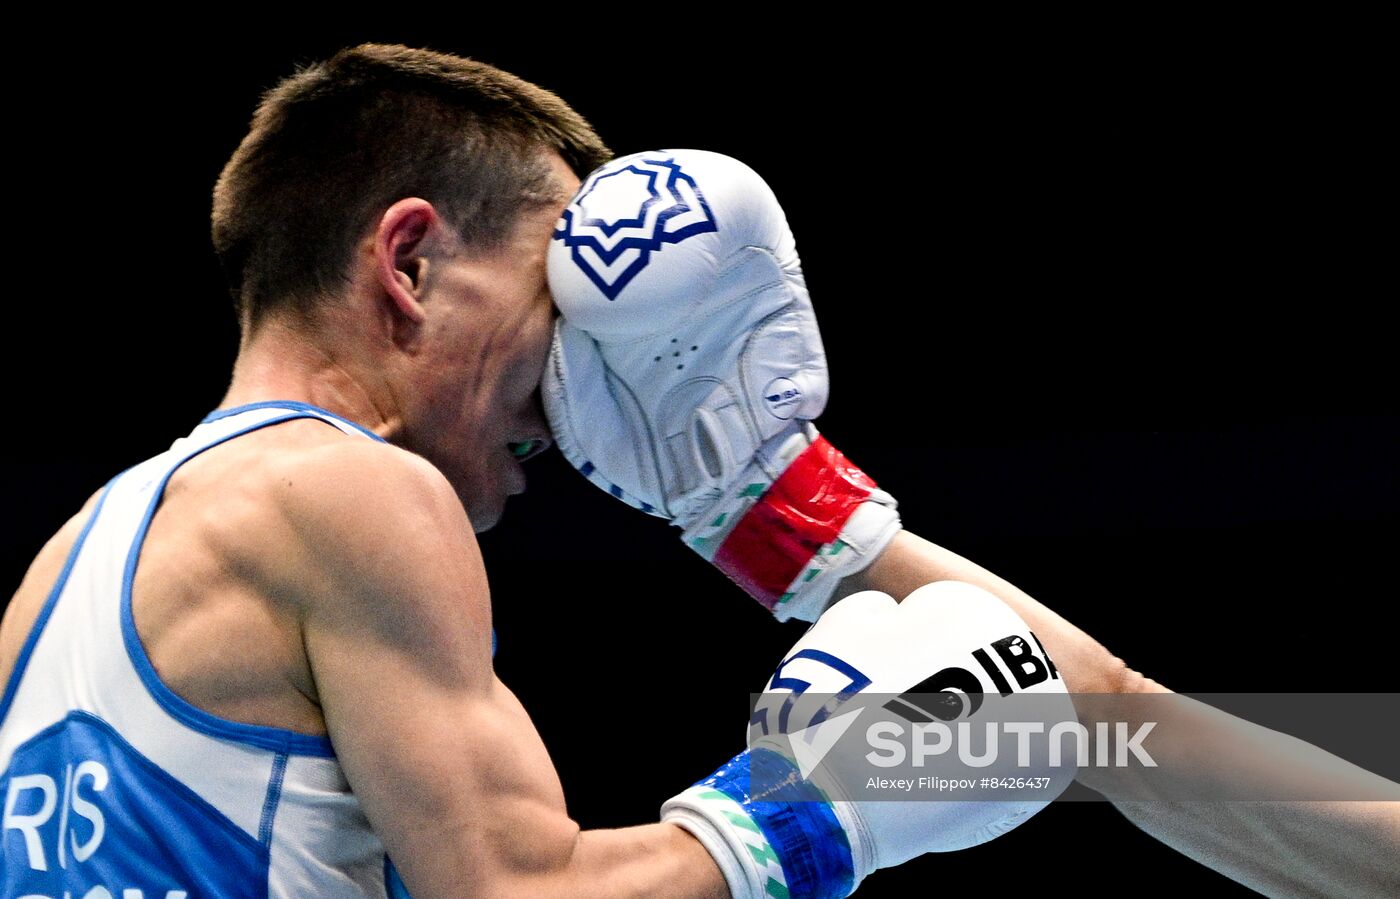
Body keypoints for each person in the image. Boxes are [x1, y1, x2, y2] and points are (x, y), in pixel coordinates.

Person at [1, 42, 1395, 898]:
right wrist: (807, 812)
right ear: (412, 262)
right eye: (561, 297)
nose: (577, 384)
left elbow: (1096, 719)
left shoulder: (65, 570)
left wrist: (777, 519)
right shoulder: (354, 493)